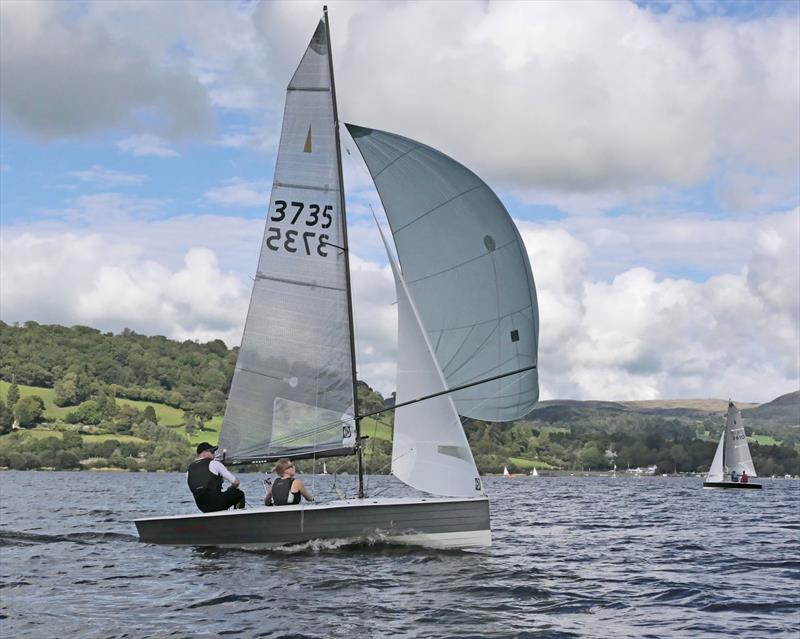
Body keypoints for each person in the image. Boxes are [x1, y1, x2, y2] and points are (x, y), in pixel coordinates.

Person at [187, 442, 245, 513]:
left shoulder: (189, 469)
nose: (214, 454)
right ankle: (237, 518)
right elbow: (236, 482)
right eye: (212, 451)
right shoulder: (214, 463)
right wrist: (232, 488)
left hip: (202, 506)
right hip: (217, 503)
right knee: (239, 493)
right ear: (203, 453)